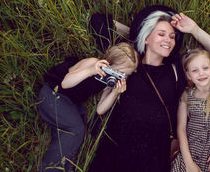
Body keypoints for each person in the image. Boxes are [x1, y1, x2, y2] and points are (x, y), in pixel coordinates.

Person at [88, 5, 210, 172]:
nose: (168, 39)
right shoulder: (130, 62)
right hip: (118, 146)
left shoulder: (177, 68)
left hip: (154, 152)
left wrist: (194, 29)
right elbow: (97, 22)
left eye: (172, 36)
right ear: (146, 37)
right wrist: (137, 33)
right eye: (161, 34)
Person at [37, 42, 138, 172]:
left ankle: (64, 167)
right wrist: (90, 71)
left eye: (125, 75)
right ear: (109, 63)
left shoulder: (110, 80)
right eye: (119, 72)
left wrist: (115, 92)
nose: (120, 77)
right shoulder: (92, 63)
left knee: (80, 128)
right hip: (53, 93)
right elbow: (65, 83)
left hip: (69, 102)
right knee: (75, 128)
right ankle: (50, 169)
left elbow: (100, 109)